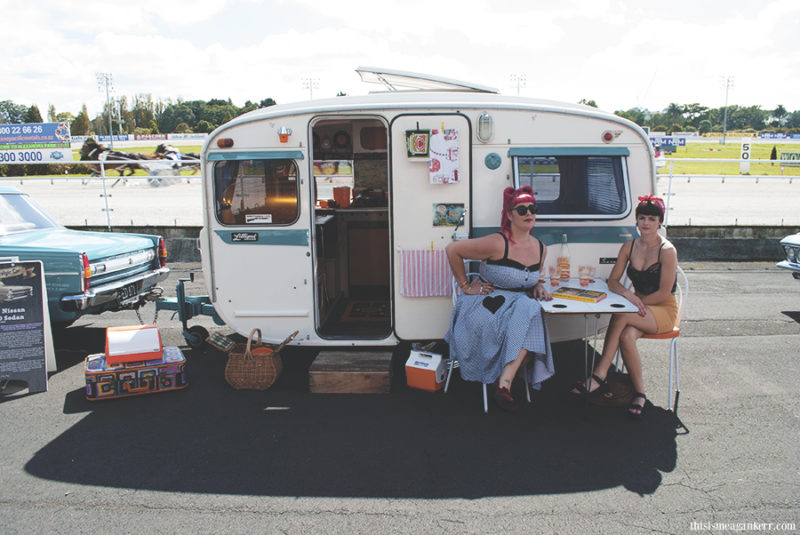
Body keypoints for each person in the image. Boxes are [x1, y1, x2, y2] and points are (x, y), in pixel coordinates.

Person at [444, 186, 553, 412]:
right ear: (509, 215)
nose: (529, 214)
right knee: (531, 311)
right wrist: (466, 286)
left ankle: (504, 382)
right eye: (521, 210)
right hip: (486, 300)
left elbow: (533, 277)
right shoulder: (497, 242)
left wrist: (539, 284)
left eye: (533, 208)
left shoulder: (541, 248)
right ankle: (504, 382)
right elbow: (453, 250)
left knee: (530, 308)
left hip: (519, 306)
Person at [570, 195, 678, 419]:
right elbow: (613, 281)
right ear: (636, 220)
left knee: (620, 315)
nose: (646, 223)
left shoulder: (667, 251)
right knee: (627, 336)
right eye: (642, 218)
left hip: (662, 308)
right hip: (637, 306)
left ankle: (600, 374)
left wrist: (635, 304)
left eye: (651, 218)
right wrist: (630, 295)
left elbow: (664, 292)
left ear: (660, 222)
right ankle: (640, 393)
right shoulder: (629, 246)